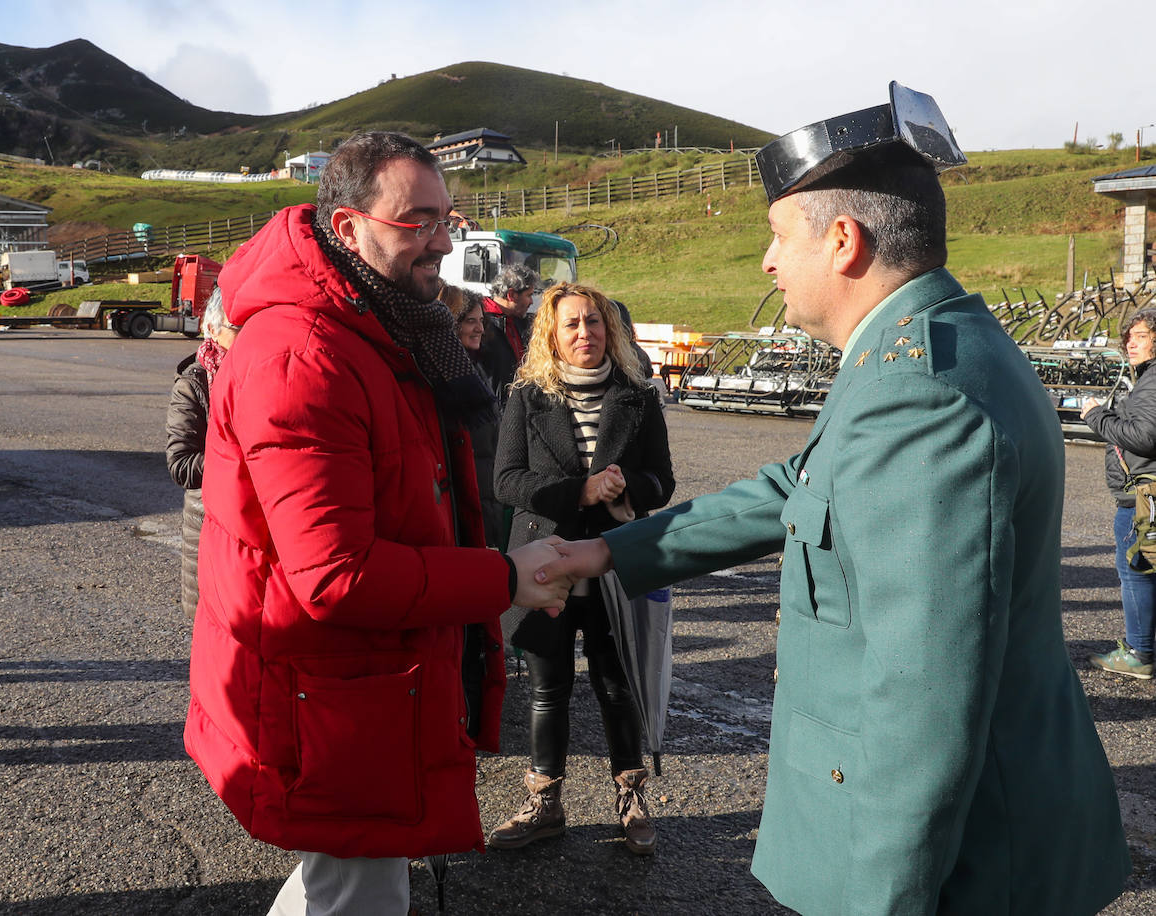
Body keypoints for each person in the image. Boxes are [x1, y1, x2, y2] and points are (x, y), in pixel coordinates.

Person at [533, 84, 1131, 914]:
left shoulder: (919, 390)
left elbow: (924, 699)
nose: (769, 263)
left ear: (843, 241)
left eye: (779, 236)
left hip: (966, 862)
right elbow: (801, 486)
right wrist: (605, 550)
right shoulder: (921, 347)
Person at [183, 131, 569, 915]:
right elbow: (336, 574)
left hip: (364, 681)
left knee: (348, 880)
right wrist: (505, 578)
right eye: (415, 221)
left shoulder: (383, 325)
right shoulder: (305, 353)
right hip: (333, 689)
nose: (441, 240)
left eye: (446, 219)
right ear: (348, 227)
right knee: (358, 888)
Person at [489, 282, 674, 856]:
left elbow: (661, 482)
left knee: (617, 686)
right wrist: (581, 491)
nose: (584, 333)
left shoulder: (638, 396)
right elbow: (507, 481)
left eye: (593, 322)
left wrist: (628, 489)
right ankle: (545, 801)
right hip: (544, 562)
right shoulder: (526, 395)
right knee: (549, 689)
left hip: (616, 563)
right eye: (571, 324)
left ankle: (631, 795)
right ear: (551, 332)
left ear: (609, 329)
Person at [1082, 308, 1156, 678]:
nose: (1131, 342)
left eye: (1140, 335)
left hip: (1142, 497)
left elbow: (1144, 437)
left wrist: (1097, 416)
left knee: (1136, 572)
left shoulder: (1153, 380)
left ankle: (1139, 653)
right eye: (1128, 336)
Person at [165, 289, 238, 618]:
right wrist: (240, 456)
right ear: (212, 328)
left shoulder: (256, 373)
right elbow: (181, 465)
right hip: (207, 525)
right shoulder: (193, 383)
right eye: (236, 328)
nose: (246, 336)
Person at [443, 283, 512, 551]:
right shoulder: (452, 376)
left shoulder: (473, 370)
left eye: (481, 321)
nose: (481, 329)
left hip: (486, 490)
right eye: (471, 321)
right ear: (453, 322)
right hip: (470, 496)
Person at [484, 264, 538, 365]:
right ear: (511, 295)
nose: (531, 302)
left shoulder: (515, 319)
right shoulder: (482, 323)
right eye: (529, 295)